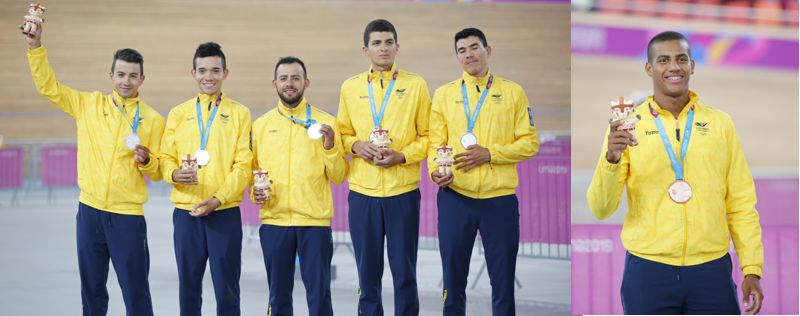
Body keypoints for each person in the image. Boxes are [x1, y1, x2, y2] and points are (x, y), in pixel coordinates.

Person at [586, 31, 764, 315]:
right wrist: (611, 159)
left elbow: (741, 204)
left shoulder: (720, 124)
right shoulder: (626, 125)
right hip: (648, 270)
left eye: (681, 59)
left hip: (711, 270)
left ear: (692, 65)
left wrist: (752, 269)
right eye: (663, 60)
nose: (674, 67)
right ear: (649, 68)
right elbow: (600, 208)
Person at [23, 22, 163, 315]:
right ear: (110, 75)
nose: (126, 81)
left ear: (142, 79)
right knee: (92, 291)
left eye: (133, 76)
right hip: (89, 212)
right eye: (121, 74)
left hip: (127, 216)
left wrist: (148, 161)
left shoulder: (152, 120)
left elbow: (158, 171)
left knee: (136, 292)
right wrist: (35, 48)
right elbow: (49, 87)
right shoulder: (87, 104)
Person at [429, 27, 539, 316]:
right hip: (455, 197)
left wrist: (490, 154)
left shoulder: (513, 92)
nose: (469, 54)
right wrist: (434, 171)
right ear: (457, 57)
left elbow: (529, 143)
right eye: (462, 50)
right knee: (452, 282)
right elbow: (435, 144)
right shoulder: (443, 95)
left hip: (499, 200)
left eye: (474, 47)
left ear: (488, 51)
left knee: (502, 285)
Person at [335, 18, 431, 316]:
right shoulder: (350, 87)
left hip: (402, 192)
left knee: (404, 273)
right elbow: (342, 134)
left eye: (389, 42)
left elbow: (429, 137)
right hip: (363, 193)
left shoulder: (415, 85)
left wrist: (402, 156)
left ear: (397, 47)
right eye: (377, 43)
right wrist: (355, 146)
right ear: (366, 49)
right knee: (368, 274)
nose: (383, 47)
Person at [160, 42, 252, 316]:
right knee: (188, 287)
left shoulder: (240, 113)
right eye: (202, 70)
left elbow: (244, 165)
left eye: (215, 70)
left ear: (225, 72)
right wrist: (174, 174)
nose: (208, 76)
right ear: (193, 73)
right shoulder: (178, 113)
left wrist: (218, 199)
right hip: (186, 212)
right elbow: (166, 157)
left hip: (223, 213)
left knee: (227, 289)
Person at [251, 56, 348, 316]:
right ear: (274, 83)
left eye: (295, 78)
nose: (289, 83)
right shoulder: (260, 127)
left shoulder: (326, 123)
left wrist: (329, 147)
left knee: (319, 296)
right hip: (275, 223)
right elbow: (252, 174)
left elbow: (339, 176)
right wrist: (255, 192)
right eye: (283, 78)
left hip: (314, 224)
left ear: (306, 82)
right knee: (278, 296)